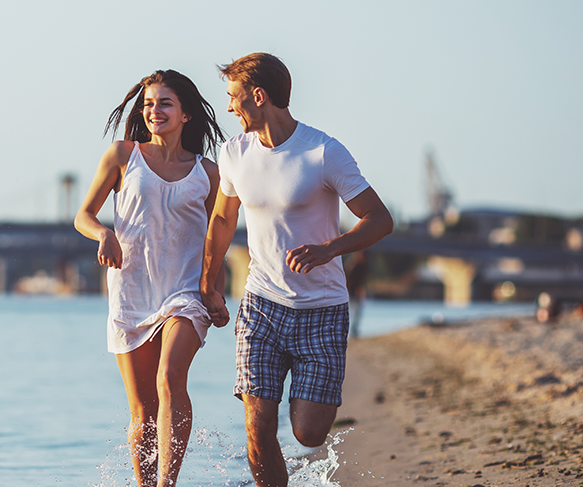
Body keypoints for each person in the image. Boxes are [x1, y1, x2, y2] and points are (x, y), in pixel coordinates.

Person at [199, 53, 394, 487]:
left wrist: (331, 249)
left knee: (309, 433)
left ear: (259, 96)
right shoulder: (233, 153)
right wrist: (208, 283)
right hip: (261, 307)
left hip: (322, 310)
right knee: (257, 426)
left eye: (233, 97)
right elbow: (221, 221)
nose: (229, 108)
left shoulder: (324, 152)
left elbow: (380, 219)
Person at [75, 69, 226, 487]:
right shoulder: (123, 156)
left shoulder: (208, 173)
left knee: (169, 378)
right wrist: (104, 232)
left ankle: (166, 484)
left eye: (164, 103)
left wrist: (214, 290)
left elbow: (218, 237)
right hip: (131, 292)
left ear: (186, 115)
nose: (153, 111)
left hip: (184, 293)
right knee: (142, 411)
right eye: (148, 104)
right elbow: (82, 215)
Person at [345, 251, 369, 338]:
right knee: (354, 310)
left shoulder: (361, 266)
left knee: (356, 310)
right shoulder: (355, 266)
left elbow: (360, 281)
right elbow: (350, 280)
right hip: (351, 291)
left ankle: (354, 330)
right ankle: (353, 330)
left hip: (354, 291)